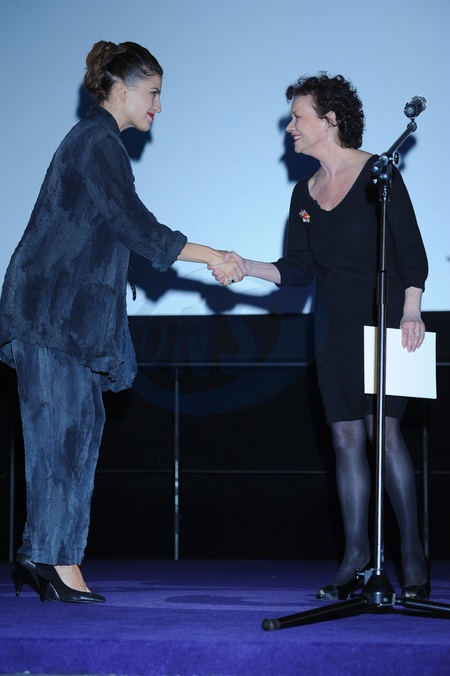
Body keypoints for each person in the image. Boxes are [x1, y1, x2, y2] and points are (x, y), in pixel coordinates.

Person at [0, 40, 242, 604]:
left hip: (67, 321)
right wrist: (211, 255)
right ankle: (55, 560)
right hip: (50, 316)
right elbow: (136, 226)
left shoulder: (98, 142)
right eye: (153, 92)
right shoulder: (96, 141)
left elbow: (109, 233)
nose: (158, 105)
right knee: (62, 435)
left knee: (76, 431)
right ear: (121, 88)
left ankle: (49, 554)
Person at [215, 73, 430, 601]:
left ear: (330, 120)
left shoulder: (380, 173)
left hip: (386, 318)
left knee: (385, 433)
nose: (290, 126)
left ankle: (412, 555)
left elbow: (411, 251)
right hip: (332, 326)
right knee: (345, 439)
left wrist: (411, 311)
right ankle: (355, 558)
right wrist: (245, 266)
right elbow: (298, 269)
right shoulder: (303, 193)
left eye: (298, 117)